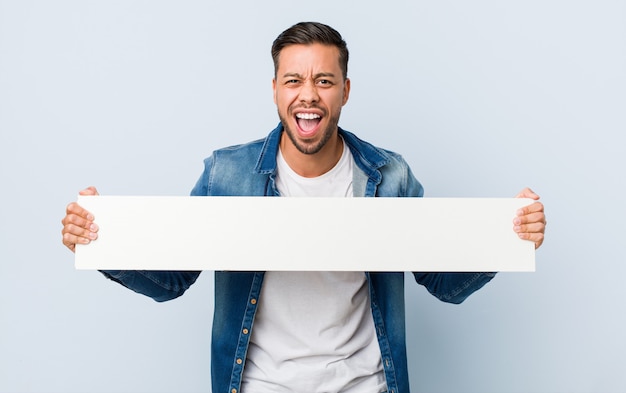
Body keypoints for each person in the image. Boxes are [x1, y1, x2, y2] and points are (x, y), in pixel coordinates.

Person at [61, 22, 546, 393]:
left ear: (345, 91)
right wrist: (103, 244)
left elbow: (443, 283)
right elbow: (172, 281)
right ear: (275, 89)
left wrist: (508, 239)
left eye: (324, 80)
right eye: (293, 80)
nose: (308, 95)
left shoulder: (389, 175)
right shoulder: (226, 174)